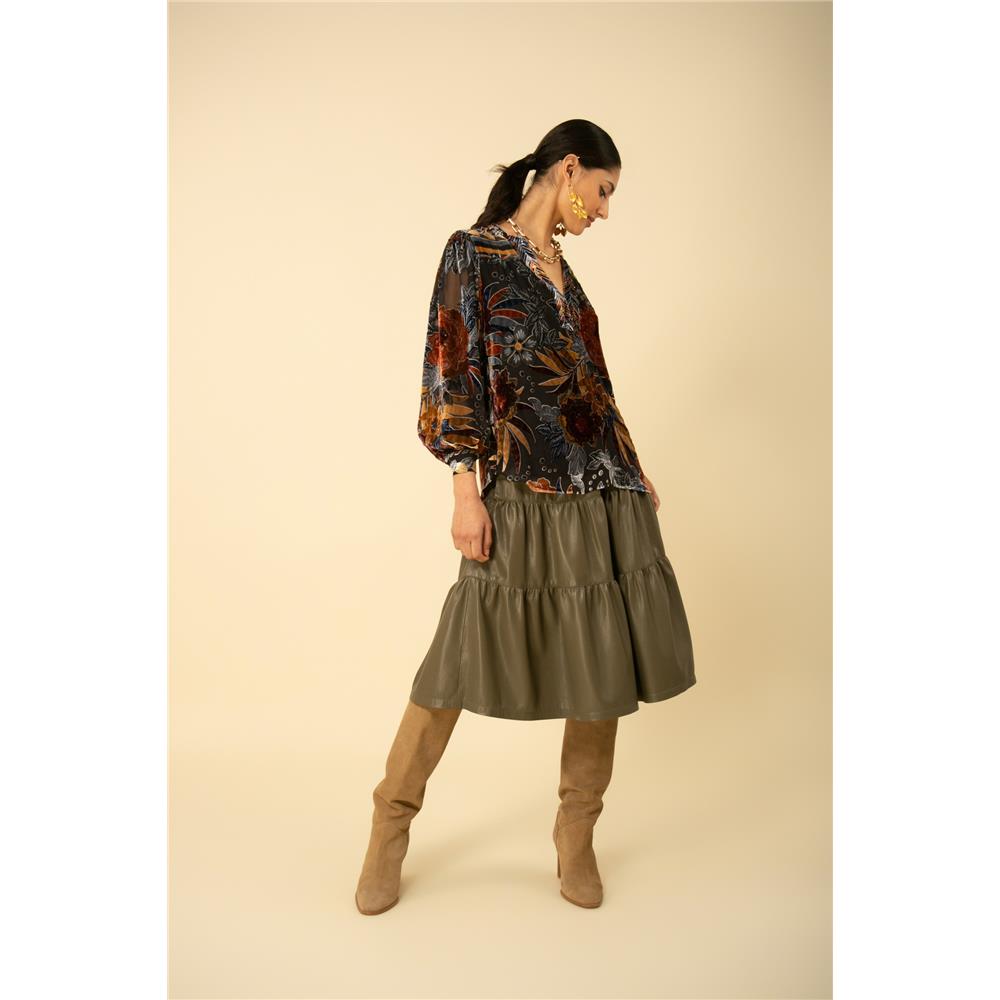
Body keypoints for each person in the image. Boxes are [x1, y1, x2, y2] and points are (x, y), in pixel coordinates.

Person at [355, 119, 696, 915]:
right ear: (569, 169)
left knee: (602, 663)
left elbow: (593, 385)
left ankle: (576, 836)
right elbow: (452, 370)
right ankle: (390, 823)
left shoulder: (563, 273)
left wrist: (633, 464)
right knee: (457, 656)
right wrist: (464, 489)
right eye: (602, 191)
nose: (604, 210)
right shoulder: (474, 254)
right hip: (523, 485)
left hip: (605, 488)